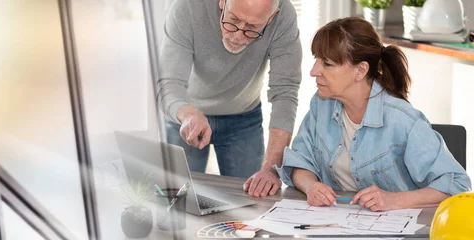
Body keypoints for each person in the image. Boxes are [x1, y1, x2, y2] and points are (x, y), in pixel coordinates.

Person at [275, 17, 471, 211]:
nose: (313, 71)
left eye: (327, 63)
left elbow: (457, 187)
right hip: (334, 226)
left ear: (360, 70)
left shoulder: (403, 120)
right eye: (315, 60)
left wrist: (393, 200)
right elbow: (299, 161)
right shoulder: (321, 105)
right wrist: (311, 187)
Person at [157, 0, 302, 198]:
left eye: (253, 27)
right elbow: (168, 82)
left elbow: (285, 92)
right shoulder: (188, 5)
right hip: (185, 116)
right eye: (233, 20)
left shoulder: (284, 16)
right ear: (223, 2)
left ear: (272, 16)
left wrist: (271, 168)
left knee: (251, 205)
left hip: (244, 119)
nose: (238, 36)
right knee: (177, 202)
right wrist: (188, 114)